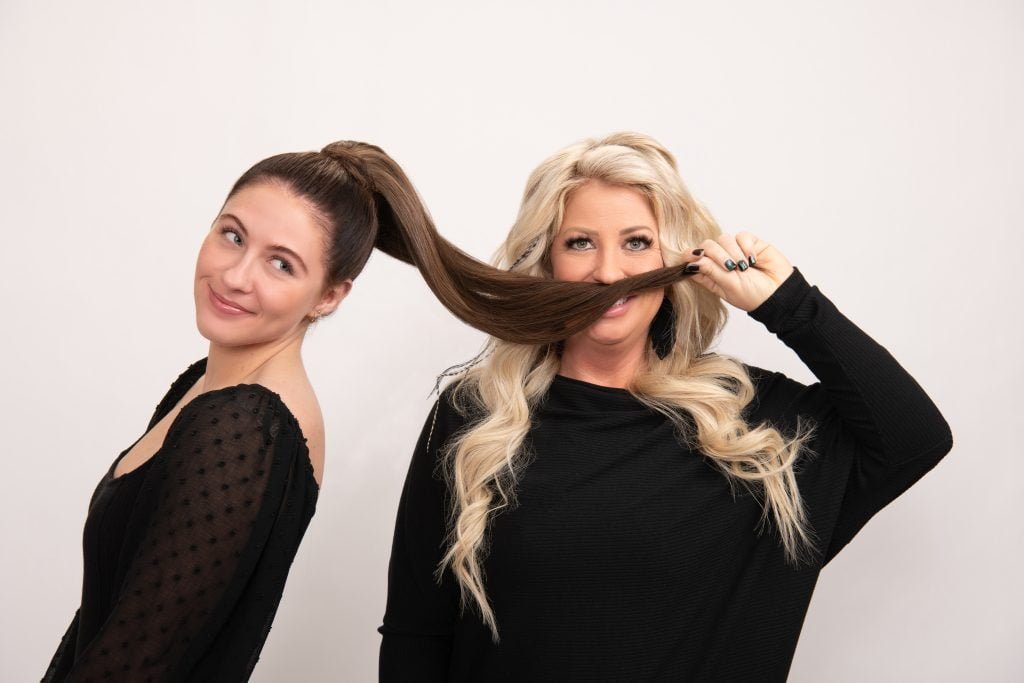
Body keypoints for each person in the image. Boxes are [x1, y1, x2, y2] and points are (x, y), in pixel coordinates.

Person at [41, 140, 686, 683]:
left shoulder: (244, 427)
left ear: (329, 295)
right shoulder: (201, 390)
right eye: (232, 235)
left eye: (281, 263)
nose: (237, 276)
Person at [379, 132, 954, 681]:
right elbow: (416, 634)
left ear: (679, 259)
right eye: (579, 243)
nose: (608, 272)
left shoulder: (752, 425)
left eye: (637, 243)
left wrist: (788, 304)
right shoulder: (476, 418)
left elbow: (915, 436)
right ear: (547, 262)